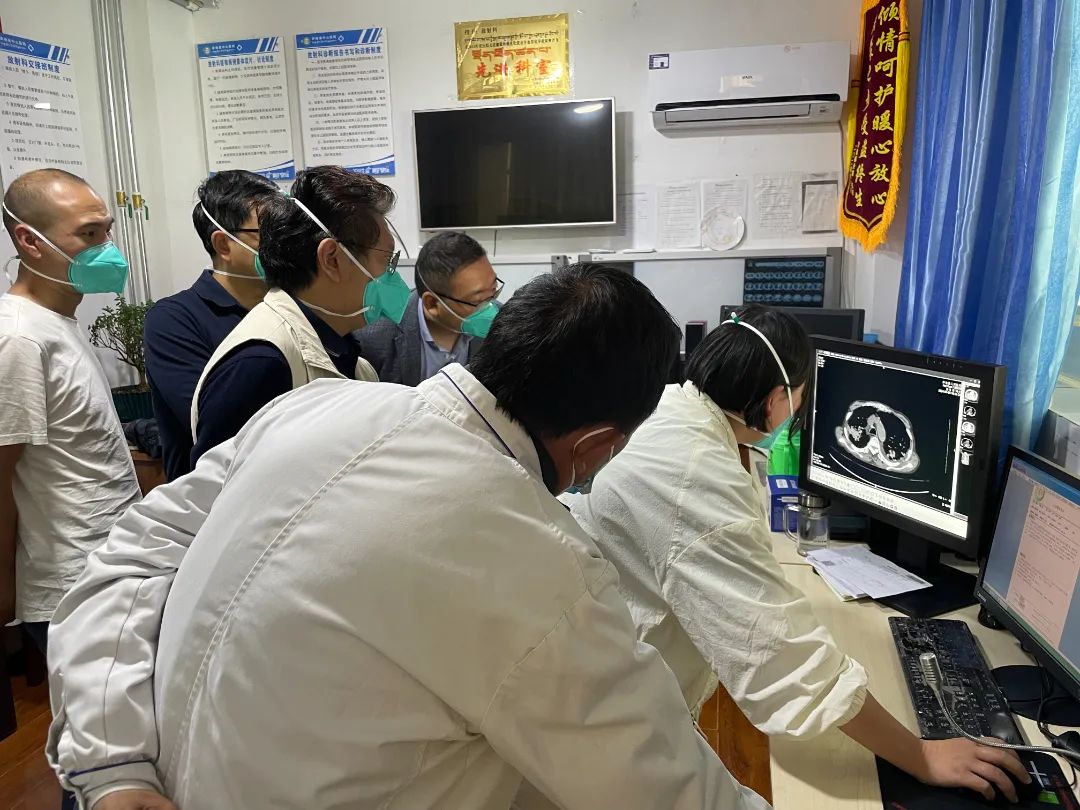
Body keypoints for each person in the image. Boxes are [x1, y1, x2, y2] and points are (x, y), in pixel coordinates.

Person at [46, 264, 770, 810]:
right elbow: (668, 787)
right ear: (598, 444)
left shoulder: (311, 407)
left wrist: (114, 766)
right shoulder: (541, 571)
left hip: (133, 780)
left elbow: (128, 559)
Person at [553, 304, 1030, 803]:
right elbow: (781, 657)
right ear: (777, 398)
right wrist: (921, 755)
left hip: (601, 645)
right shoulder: (696, 477)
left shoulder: (671, 406)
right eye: (801, 398)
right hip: (613, 705)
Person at [0, 169, 141, 810]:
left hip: (108, 571)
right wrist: (5, 592)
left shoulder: (59, 323)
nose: (107, 247)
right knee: (99, 761)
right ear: (29, 241)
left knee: (117, 750)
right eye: (89, 235)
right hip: (67, 588)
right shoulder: (18, 337)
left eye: (107, 229)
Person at [188, 165, 405, 467]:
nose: (394, 276)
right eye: (388, 260)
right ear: (332, 259)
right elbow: (218, 488)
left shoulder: (349, 357)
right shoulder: (260, 363)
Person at [144, 170, 279, 481]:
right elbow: (218, 426)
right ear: (224, 244)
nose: (286, 245)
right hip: (217, 497)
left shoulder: (292, 307)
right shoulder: (174, 320)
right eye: (270, 233)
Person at [355, 231, 499, 385]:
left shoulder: (503, 324)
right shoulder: (374, 338)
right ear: (432, 304)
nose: (491, 308)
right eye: (478, 300)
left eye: (494, 291)